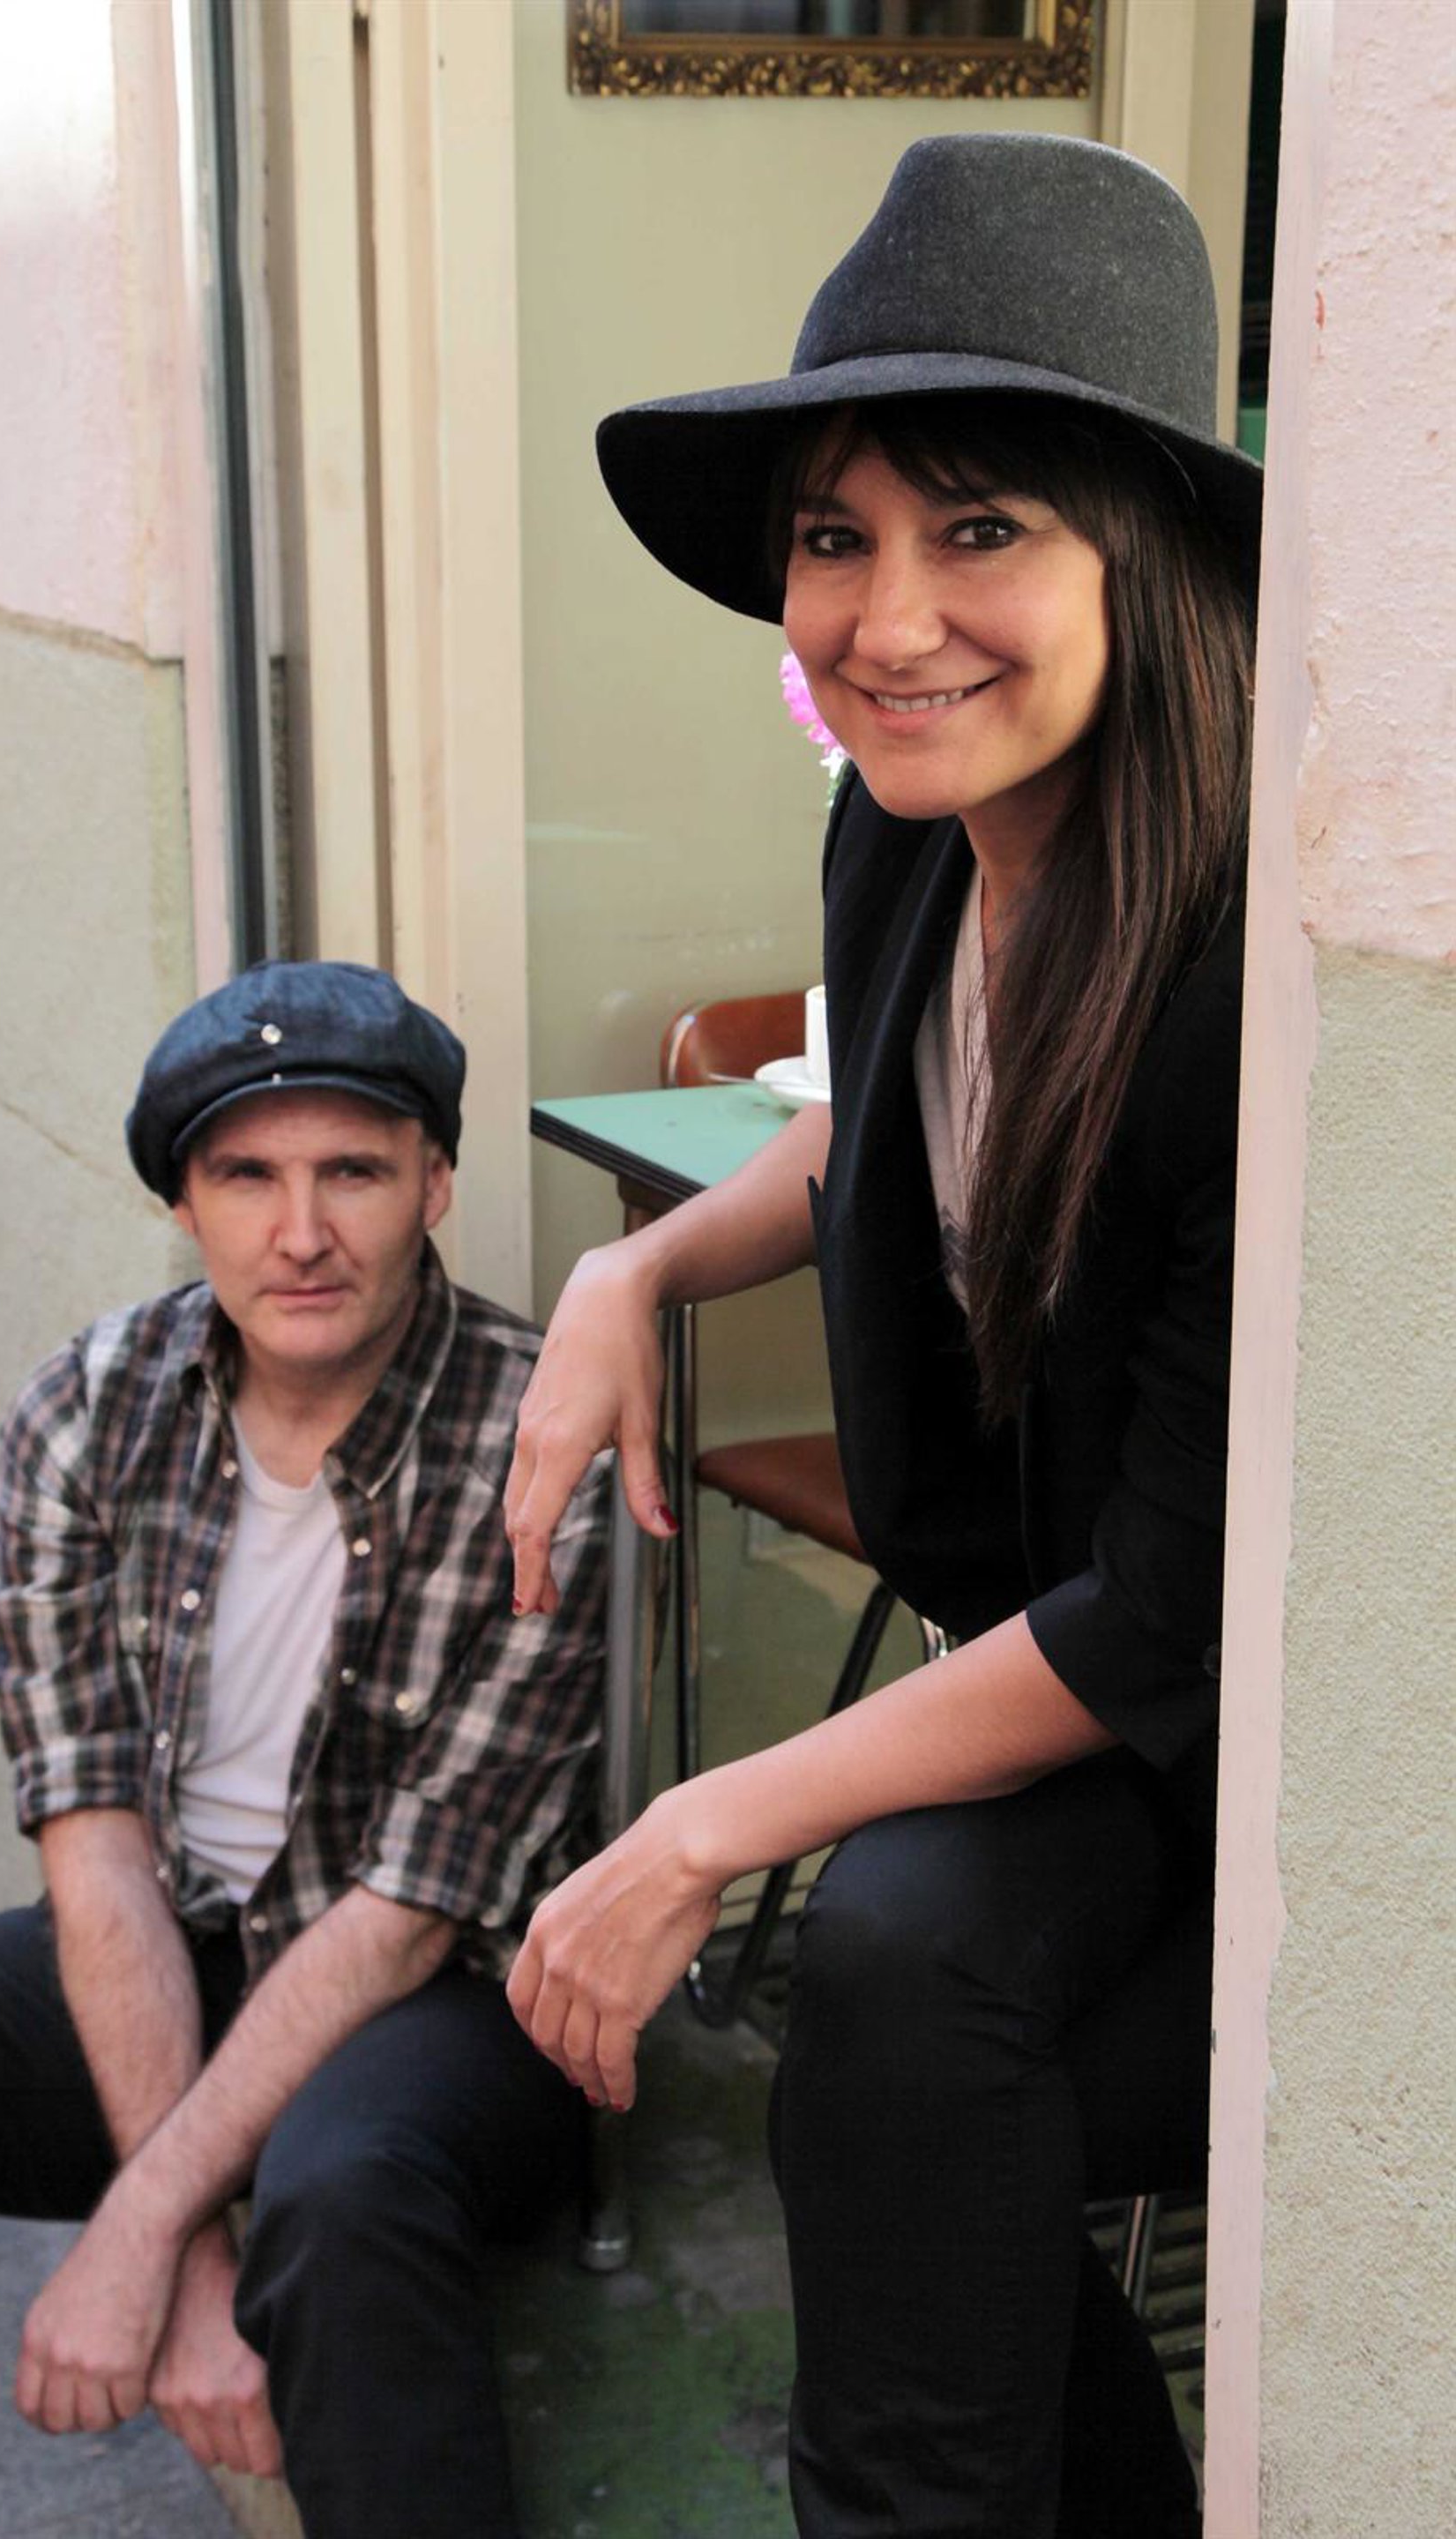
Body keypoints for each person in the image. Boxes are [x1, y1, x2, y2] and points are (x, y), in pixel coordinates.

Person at [504, 135, 1258, 2537]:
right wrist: (637, 1270)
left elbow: (1172, 1610)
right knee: (913, 2057)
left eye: (982, 526)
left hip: (1243, 1743)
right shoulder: (914, 838)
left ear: (1146, 555)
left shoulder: (1248, 978)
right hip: (1052, 1681)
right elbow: (880, 1135)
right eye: (835, 534)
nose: (887, 615)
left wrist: (702, 1820)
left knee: (901, 2009)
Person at [0, 961, 609, 2539]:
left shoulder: (541, 1452)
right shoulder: (87, 1411)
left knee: (340, 2196)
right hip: (175, 1939)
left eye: (353, 1172)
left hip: (447, 1996)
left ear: (435, 1182)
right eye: (247, 1177)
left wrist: (141, 2231)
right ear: (183, 1204)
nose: (302, 1234)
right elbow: (92, 1849)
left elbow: (410, 1912)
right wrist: (192, 2258)